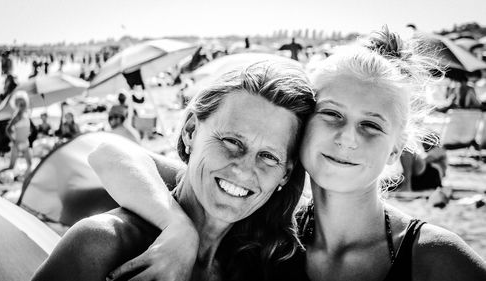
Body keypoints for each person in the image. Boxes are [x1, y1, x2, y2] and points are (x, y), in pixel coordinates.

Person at [86, 26, 486, 281]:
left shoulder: (432, 258)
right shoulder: (263, 216)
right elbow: (112, 153)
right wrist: (178, 227)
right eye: (331, 115)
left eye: (371, 125)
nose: (347, 138)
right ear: (304, 125)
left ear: (396, 148)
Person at [31, 61, 316, 281]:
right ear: (191, 131)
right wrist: (180, 228)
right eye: (231, 142)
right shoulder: (102, 244)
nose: (243, 170)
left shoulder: (277, 262)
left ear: (286, 174)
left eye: (268, 157)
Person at [0, 91, 33, 182]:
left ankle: (26, 179)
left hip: (25, 143)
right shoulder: (17, 116)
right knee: (11, 166)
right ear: (16, 104)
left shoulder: (26, 114)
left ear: (25, 103)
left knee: (30, 163)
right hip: (17, 144)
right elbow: (8, 130)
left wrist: (27, 132)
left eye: (22, 102)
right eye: (19, 102)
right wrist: (14, 140)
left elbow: (26, 128)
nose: (21, 104)